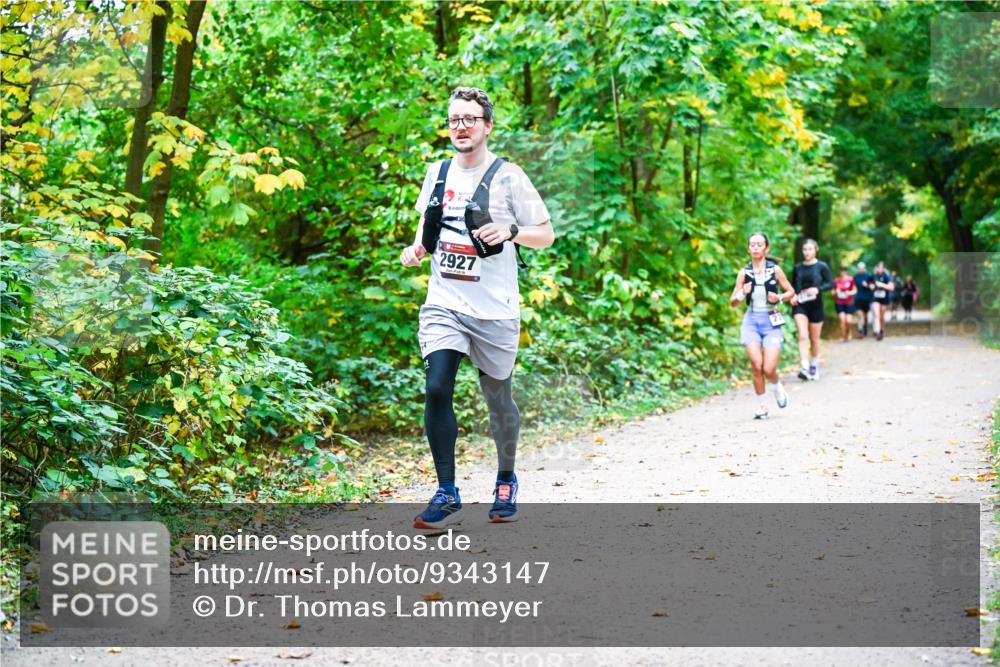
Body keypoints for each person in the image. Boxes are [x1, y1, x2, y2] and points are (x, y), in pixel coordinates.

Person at [400, 87, 554, 528]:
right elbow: (425, 232)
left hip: (495, 311)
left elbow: (545, 233)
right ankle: (446, 490)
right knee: (436, 387)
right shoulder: (437, 172)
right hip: (444, 304)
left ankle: (506, 479)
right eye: (454, 119)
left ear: (487, 126)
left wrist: (510, 231)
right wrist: (415, 251)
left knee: (497, 398)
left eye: (469, 119)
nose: (460, 126)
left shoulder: (510, 176)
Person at [729, 232, 795, 420]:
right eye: (752, 245)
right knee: (756, 365)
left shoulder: (775, 270)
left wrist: (780, 297)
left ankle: (777, 387)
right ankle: (762, 406)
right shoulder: (744, 273)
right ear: (749, 248)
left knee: (768, 368)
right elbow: (732, 302)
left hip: (771, 319)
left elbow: (791, 291)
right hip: (751, 321)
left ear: (766, 248)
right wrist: (742, 293)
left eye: (759, 244)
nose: (756, 247)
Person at [790, 239, 833, 380]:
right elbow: (792, 286)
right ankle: (804, 366)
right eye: (805, 249)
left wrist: (818, 289)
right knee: (803, 335)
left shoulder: (822, 266)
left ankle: (813, 364)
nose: (807, 252)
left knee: (814, 339)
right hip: (800, 305)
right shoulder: (797, 268)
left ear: (816, 250)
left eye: (810, 249)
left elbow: (830, 284)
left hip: (816, 305)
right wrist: (793, 296)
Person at [870, 261, 894, 341]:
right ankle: (877, 332)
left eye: (881, 267)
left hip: (884, 298)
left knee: (881, 316)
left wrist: (882, 285)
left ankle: (882, 329)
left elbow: (891, 287)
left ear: (883, 268)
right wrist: (871, 286)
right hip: (875, 298)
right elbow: (869, 284)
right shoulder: (873, 276)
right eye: (878, 267)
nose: (880, 269)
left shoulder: (886, 276)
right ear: (876, 268)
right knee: (876, 315)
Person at [833, 266, 858, 342]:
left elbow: (855, 290)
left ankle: (849, 332)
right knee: (842, 320)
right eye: (841, 271)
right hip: (839, 302)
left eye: (844, 271)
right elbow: (832, 291)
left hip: (849, 302)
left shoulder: (850, 279)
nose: (843, 272)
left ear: (846, 271)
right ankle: (843, 335)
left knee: (848, 321)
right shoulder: (836, 280)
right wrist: (836, 292)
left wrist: (849, 293)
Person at [853, 261, 873, 338]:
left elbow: (872, 287)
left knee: (865, 316)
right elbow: (853, 287)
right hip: (858, 299)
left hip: (867, 299)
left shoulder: (869, 276)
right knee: (860, 315)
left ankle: (865, 328)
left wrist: (867, 285)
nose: (860, 269)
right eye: (859, 268)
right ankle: (860, 330)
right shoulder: (855, 277)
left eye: (862, 268)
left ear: (865, 268)